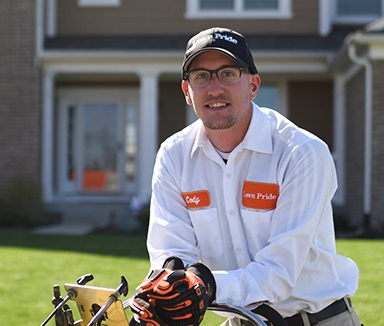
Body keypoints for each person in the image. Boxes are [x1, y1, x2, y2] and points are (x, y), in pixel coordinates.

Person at [129, 27, 361, 326]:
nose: (214, 89)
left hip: (318, 320)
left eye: (228, 74)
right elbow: (171, 249)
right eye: (201, 76)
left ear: (253, 85)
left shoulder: (301, 152)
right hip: (242, 320)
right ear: (187, 91)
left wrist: (206, 285)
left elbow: (278, 273)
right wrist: (169, 284)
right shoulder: (174, 155)